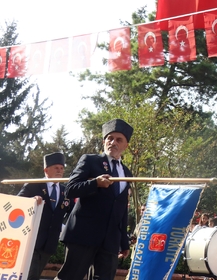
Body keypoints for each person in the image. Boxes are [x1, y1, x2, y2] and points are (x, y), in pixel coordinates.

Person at [56, 119, 133, 280]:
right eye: (110, 138)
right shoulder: (90, 161)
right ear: (104, 141)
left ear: (125, 145)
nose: (113, 142)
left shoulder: (127, 173)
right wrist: (95, 183)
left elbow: (122, 207)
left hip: (110, 240)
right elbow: (70, 190)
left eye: (119, 140)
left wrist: (123, 241)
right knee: (70, 277)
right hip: (84, 234)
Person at [17, 152, 74, 280]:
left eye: (61, 168)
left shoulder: (66, 191)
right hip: (32, 240)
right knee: (30, 275)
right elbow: (17, 205)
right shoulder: (33, 185)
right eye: (56, 168)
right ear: (46, 170)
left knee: (35, 275)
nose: (59, 171)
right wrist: (31, 201)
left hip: (49, 243)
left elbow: (72, 212)